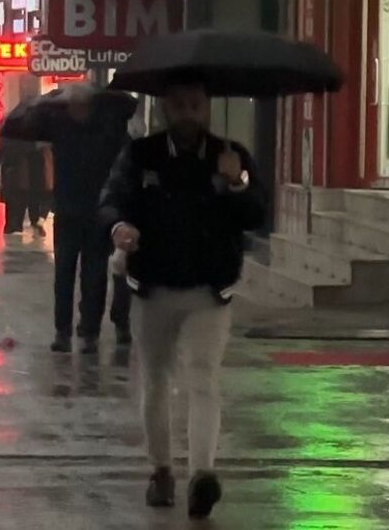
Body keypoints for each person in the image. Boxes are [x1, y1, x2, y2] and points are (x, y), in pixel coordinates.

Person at [97, 75, 266, 519]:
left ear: (206, 107)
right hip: (153, 288)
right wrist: (120, 227)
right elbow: (112, 198)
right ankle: (161, 470)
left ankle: (203, 475)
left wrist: (237, 184)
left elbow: (257, 216)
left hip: (209, 291)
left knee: (204, 378)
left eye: (196, 104)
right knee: (156, 379)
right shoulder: (142, 154)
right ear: (166, 109)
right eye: (179, 105)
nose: (188, 112)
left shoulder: (230, 157)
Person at [0, 85, 135, 354]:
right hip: (68, 209)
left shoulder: (107, 126)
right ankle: (64, 331)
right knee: (65, 273)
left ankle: (89, 332)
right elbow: (11, 127)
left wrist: (99, 95)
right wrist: (41, 101)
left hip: (98, 211)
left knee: (94, 275)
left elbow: (129, 105)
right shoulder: (58, 123)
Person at [0, 137, 44, 235]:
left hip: (9, 171)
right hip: (24, 170)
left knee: (10, 200)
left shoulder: (6, 137)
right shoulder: (28, 137)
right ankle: (18, 224)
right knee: (22, 197)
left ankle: (10, 225)